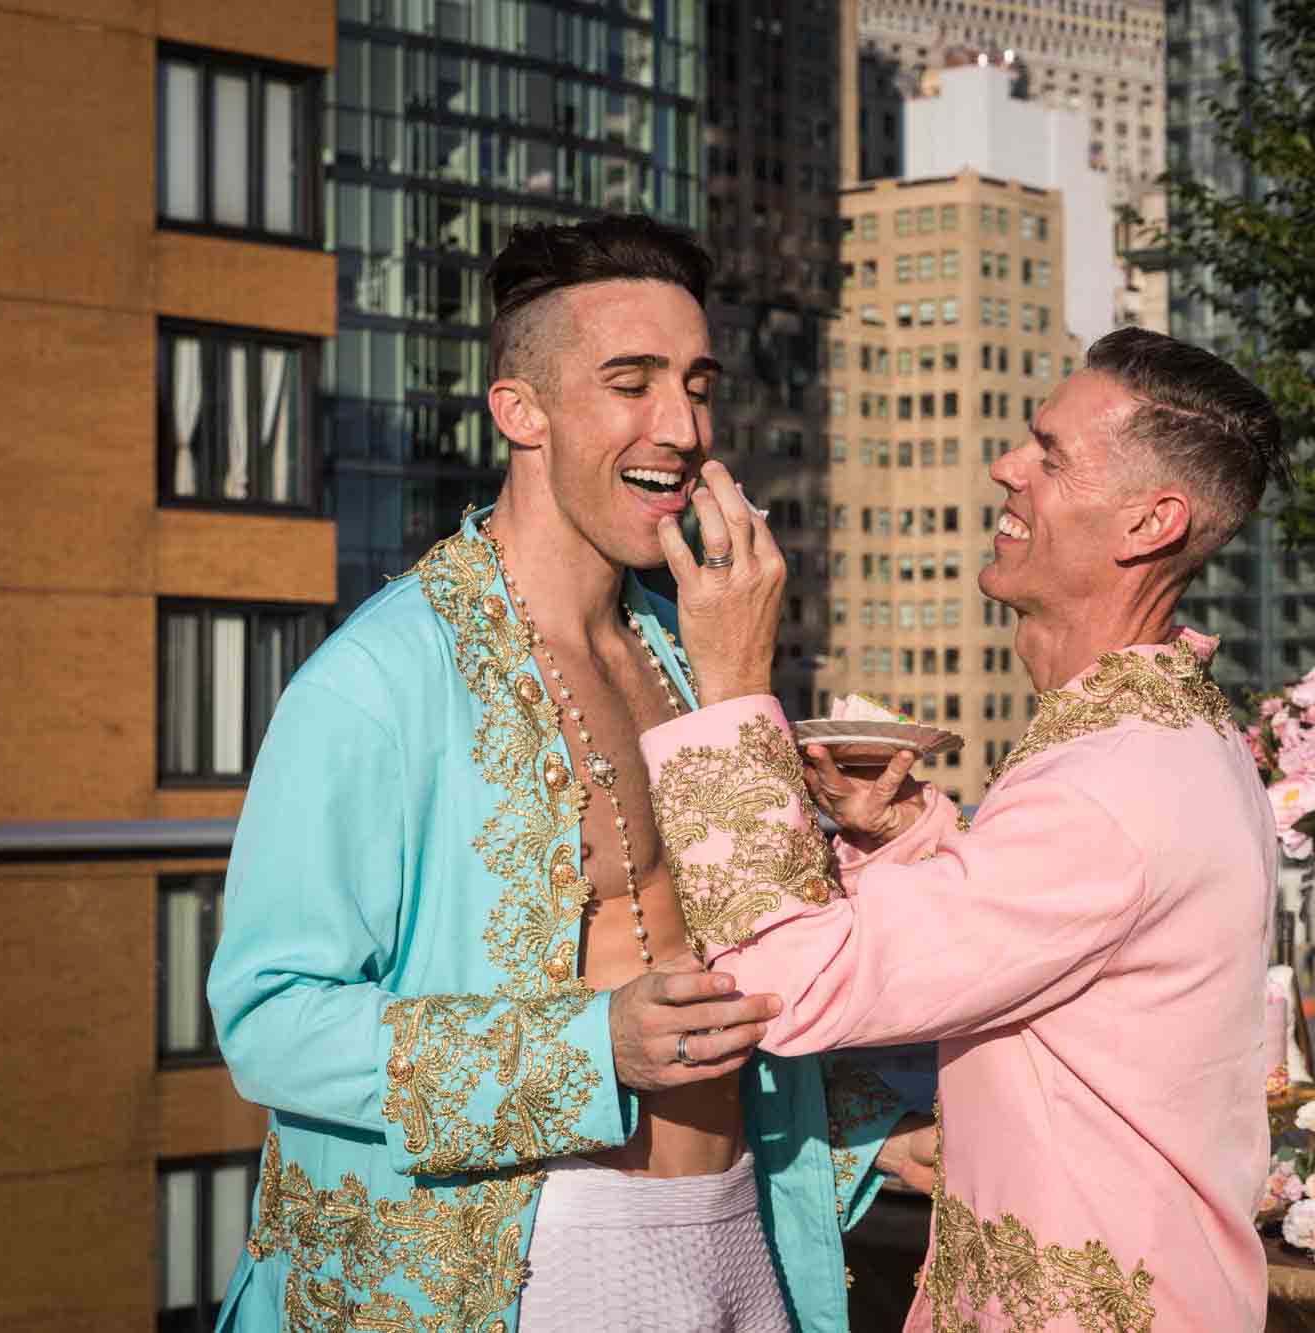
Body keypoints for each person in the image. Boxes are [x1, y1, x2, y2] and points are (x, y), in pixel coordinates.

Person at [205, 215, 900, 1332]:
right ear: (519, 411)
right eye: (630, 383)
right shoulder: (376, 680)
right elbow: (270, 1020)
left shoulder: (697, 650)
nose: (680, 428)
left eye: (695, 383)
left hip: (743, 1238)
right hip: (535, 1262)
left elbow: (755, 952)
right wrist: (590, 1047)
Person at [638, 328, 1287, 1331]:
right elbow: (1046, 954)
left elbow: (797, 986)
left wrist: (727, 686)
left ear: (1150, 521)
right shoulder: (1158, 734)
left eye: (1049, 452)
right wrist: (908, 834)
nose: (1006, 466)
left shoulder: (1110, 783)